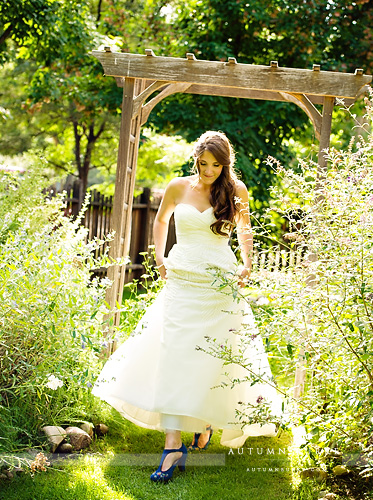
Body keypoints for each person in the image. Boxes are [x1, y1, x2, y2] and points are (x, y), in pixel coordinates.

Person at [92, 131, 281, 483]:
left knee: (212, 357)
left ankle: (205, 420)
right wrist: (159, 256)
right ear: (196, 159)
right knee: (174, 354)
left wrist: (247, 263)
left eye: (216, 165)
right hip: (181, 279)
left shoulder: (236, 191)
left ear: (226, 164)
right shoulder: (178, 186)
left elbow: (245, 230)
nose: (209, 170)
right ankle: (173, 443)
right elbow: (161, 220)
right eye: (203, 163)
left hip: (218, 283)